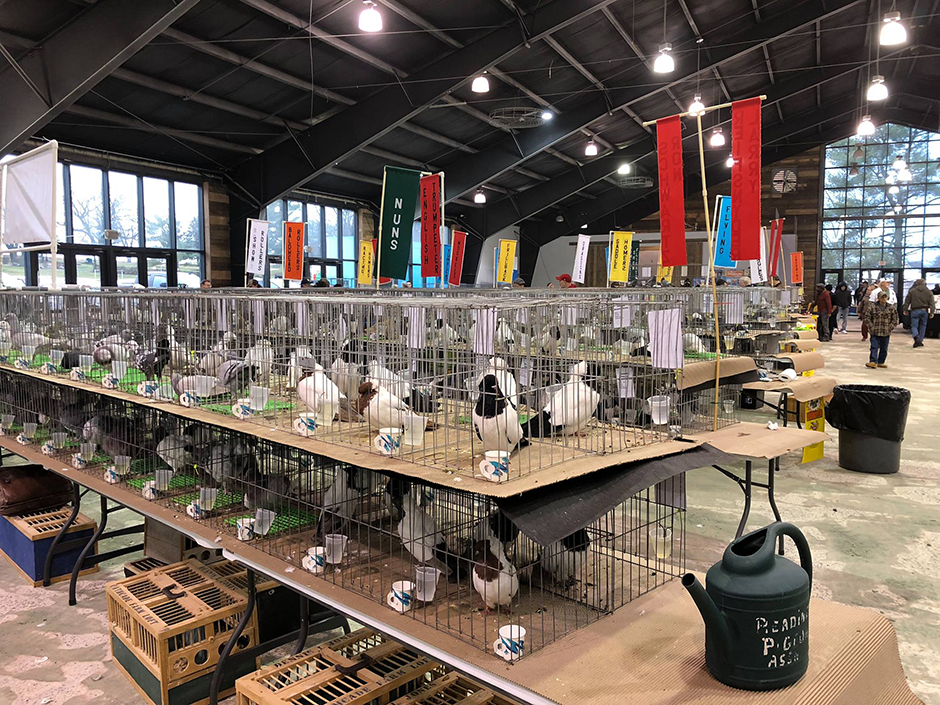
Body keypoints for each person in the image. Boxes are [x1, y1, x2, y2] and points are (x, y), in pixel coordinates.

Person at [864, 291, 897, 368]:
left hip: (886, 331)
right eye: (882, 297)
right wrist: (871, 327)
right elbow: (867, 317)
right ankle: (873, 361)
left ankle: (881, 362)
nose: (884, 299)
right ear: (878, 298)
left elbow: (895, 319)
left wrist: (890, 328)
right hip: (875, 331)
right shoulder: (872, 307)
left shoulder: (891, 308)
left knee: (884, 348)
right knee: (874, 346)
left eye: (885, 297)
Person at [902, 277, 935, 348]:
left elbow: (907, 301)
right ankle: (920, 340)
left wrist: (905, 309)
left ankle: (916, 337)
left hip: (915, 310)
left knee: (914, 325)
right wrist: (932, 312)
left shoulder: (912, 291)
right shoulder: (929, 292)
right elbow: (932, 303)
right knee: (923, 325)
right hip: (924, 310)